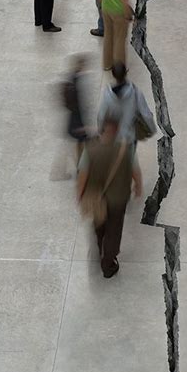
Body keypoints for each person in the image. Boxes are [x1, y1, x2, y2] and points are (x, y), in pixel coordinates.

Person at [76, 114, 143, 278]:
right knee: (114, 229)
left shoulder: (90, 149)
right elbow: (135, 171)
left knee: (98, 226)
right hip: (118, 198)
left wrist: (80, 195)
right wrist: (138, 186)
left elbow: (82, 176)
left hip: (96, 198)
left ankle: (98, 250)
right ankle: (108, 263)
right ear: (117, 130)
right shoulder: (125, 148)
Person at [97, 62, 156, 145]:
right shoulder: (136, 93)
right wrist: (152, 129)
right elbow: (146, 114)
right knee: (130, 156)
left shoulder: (107, 95)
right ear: (126, 73)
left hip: (113, 136)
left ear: (113, 75)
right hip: (130, 136)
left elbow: (101, 115)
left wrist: (100, 130)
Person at [98, 0, 134, 70]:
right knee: (119, 39)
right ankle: (119, 67)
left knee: (108, 36)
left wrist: (102, 4)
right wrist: (128, 14)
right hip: (118, 12)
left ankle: (107, 64)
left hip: (105, 9)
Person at [62, 54, 90, 165]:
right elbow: (82, 103)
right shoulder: (78, 82)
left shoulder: (71, 78)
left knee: (78, 143)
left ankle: (80, 164)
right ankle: (80, 166)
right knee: (80, 142)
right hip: (77, 118)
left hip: (72, 117)